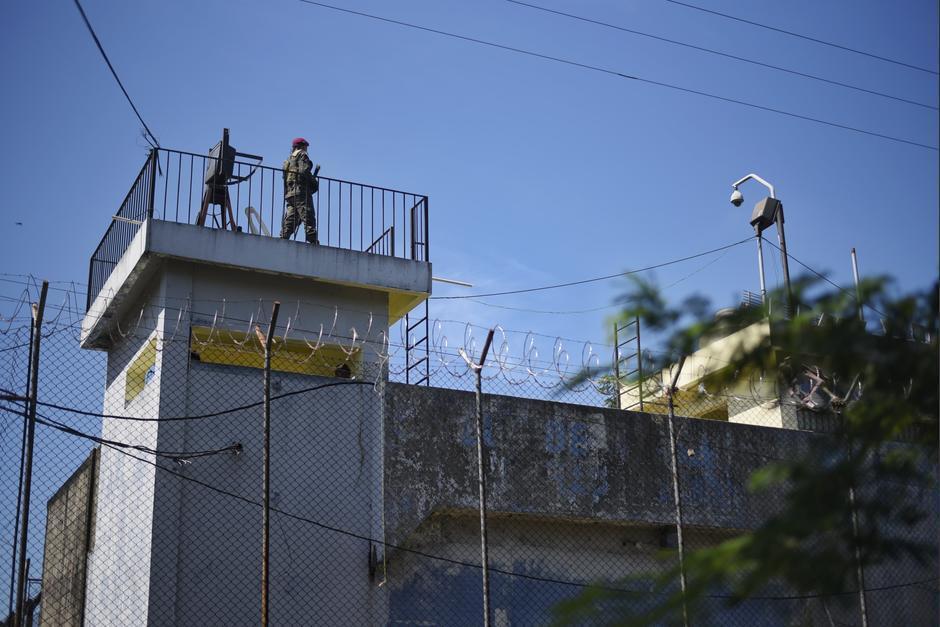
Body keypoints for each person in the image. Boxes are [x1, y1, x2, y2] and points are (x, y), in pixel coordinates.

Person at [280, 137, 319, 243]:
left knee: (291, 219)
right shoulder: (302, 155)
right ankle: (312, 240)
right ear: (302, 146)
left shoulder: (288, 160)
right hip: (301, 192)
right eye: (306, 146)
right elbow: (304, 171)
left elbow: (285, 177)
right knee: (308, 215)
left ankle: (283, 239)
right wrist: (313, 183)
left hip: (290, 194)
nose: (306, 149)